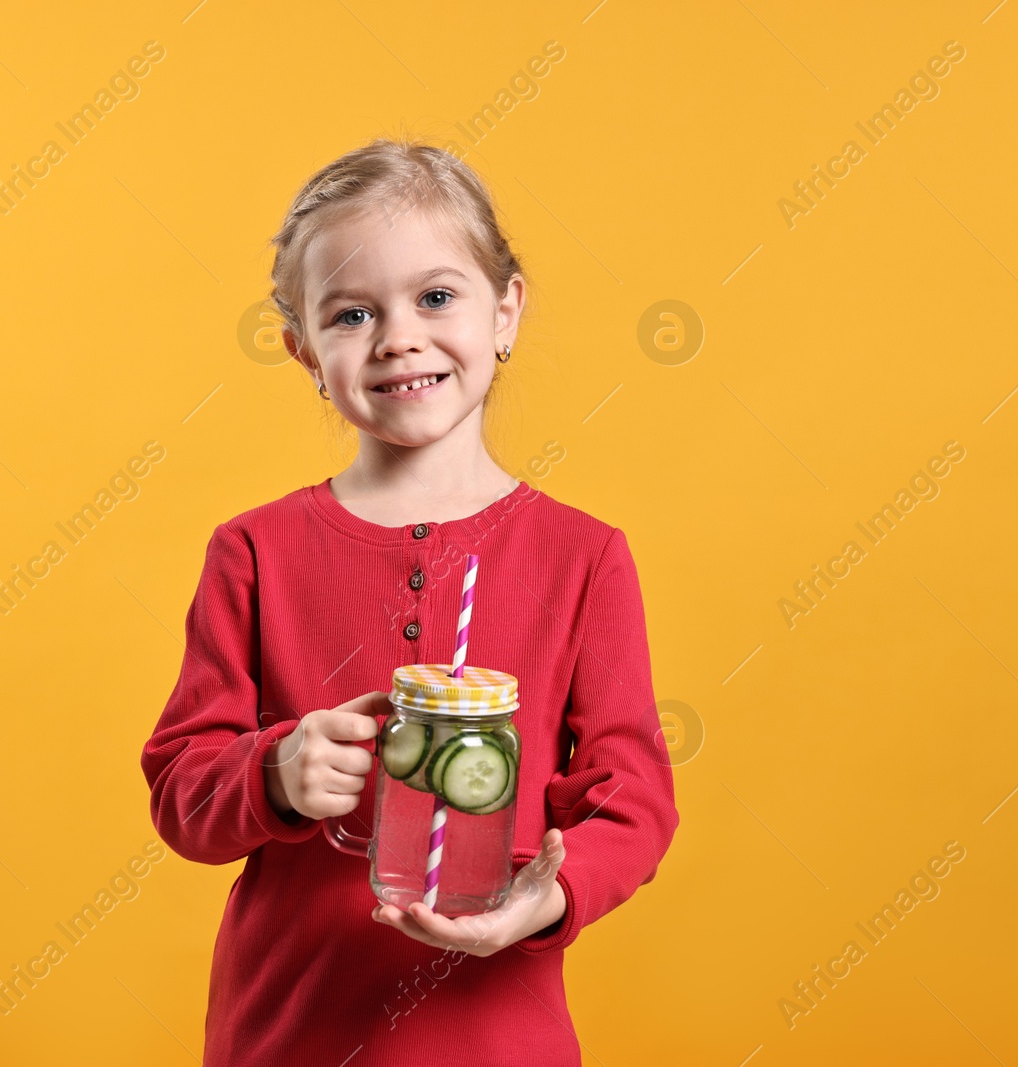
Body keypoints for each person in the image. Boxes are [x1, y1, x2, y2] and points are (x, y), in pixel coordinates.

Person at [139, 136, 678, 1066]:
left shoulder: (586, 558)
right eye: (351, 314)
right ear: (303, 348)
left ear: (505, 312)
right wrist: (275, 770)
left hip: (500, 1040)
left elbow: (631, 799)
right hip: (288, 1034)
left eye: (436, 296)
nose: (398, 337)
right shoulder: (253, 551)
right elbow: (181, 785)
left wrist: (547, 896)